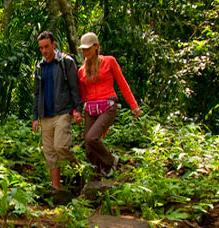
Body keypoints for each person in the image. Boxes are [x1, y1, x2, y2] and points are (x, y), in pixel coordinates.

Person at [76, 31, 140, 177]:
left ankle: (111, 161)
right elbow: (82, 95)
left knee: (91, 138)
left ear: (96, 46)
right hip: (91, 109)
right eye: (83, 49)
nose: (86, 52)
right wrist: (77, 111)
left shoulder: (109, 61)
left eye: (88, 48)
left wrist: (134, 105)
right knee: (89, 147)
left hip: (108, 106)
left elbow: (122, 84)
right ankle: (97, 175)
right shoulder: (82, 70)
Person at [32, 30, 82, 195]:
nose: (44, 51)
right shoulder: (39, 68)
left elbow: (74, 88)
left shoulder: (65, 62)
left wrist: (78, 109)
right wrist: (35, 117)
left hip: (63, 111)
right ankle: (56, 188)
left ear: (53, 45)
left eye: (46, 46)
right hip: (45, 115)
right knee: (49, 153)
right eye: (41, 48)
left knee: (60, 146)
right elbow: (37, 94)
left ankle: (79, 172)